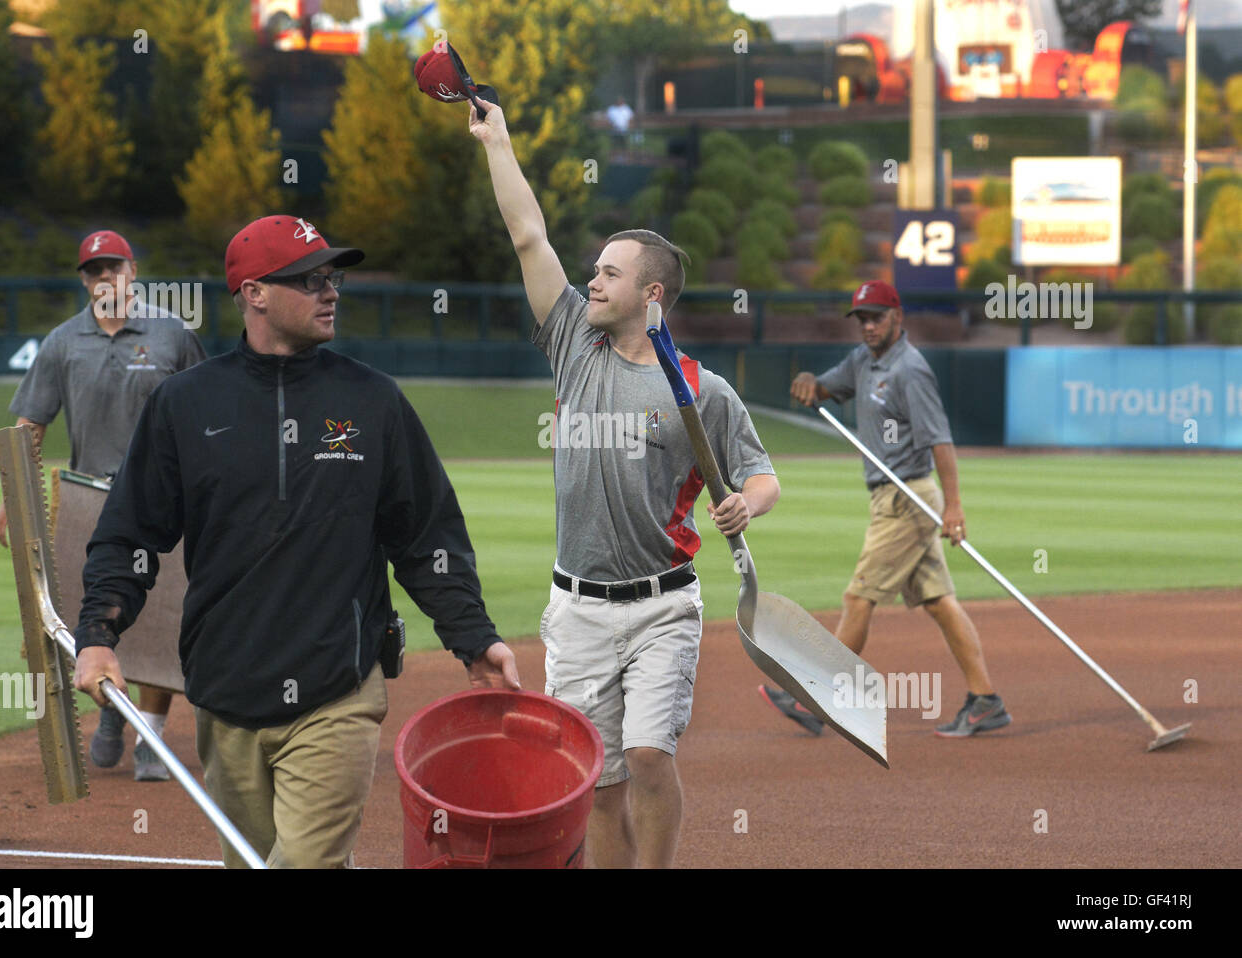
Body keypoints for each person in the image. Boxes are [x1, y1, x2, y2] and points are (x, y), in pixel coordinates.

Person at [71, 215, 521, 868]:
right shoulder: (185, 404)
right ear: (254, 293)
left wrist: (473, 637)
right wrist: (96, 635)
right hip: (225, 693)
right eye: (310, 279)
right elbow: (129, 537)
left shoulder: (372, 402)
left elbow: (427, 537)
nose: (330, 290)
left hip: (337, 690)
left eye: (332, 276)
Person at [471, 101, 779, 868]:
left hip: (662, 607)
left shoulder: (701, 390)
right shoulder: (573, 340)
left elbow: (761, 474)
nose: (591, 280)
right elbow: (527, 235)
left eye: (609, 272)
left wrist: (747, 502)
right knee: (599, 784)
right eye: (594, 269)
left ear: (652, 296)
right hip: (575, 608)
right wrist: (498, 141)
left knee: (646, 756)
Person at [0, 229, 206, 781]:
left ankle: (152, 737)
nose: (105, 278)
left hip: (165, 499)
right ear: (85, 280)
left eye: (114, 267)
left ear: (132, 270)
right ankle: (114, 712)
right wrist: (11, 499)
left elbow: (206, 414)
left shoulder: (172, 334)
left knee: (163, 622)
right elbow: (30, 425)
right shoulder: (63, 342)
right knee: (100, 617)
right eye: (94, 270)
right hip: (91, 499)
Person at [758, 281, 1010, 738]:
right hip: (890, 497)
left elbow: (940, 440)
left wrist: (954, 506)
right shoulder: (863, 361)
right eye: (861, 318)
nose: (868, 325)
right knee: (938, 602)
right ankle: (986, 699)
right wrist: (811, 383)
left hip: (907, 499)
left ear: (898, 317)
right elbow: (826, 387)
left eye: (876, 316)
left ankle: (816, 699)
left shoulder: (911, 370)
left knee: (859, 598)